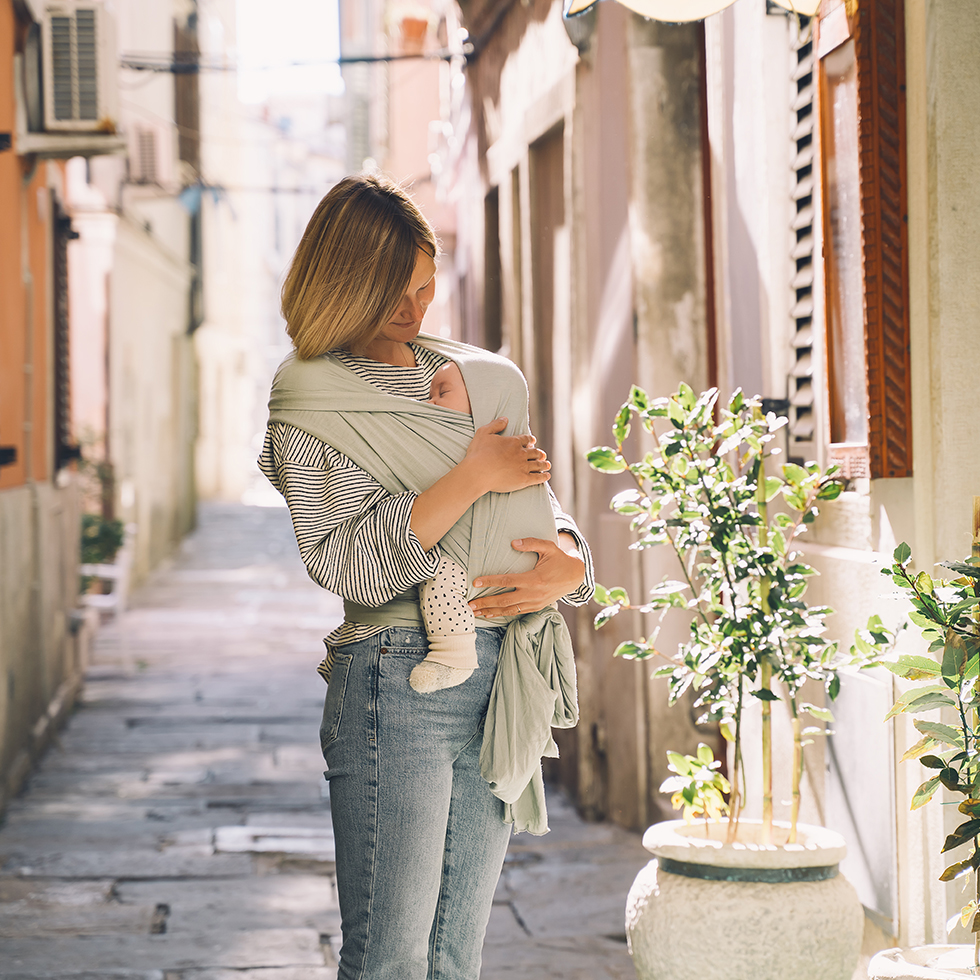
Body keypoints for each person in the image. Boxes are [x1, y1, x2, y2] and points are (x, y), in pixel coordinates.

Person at [258, 173, 593, 980]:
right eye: (393, 294)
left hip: (500, 674)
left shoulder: (468, 372)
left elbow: (532, 492)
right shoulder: (311, 395)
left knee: (454, 958)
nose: (414, 314)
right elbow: (346, 563)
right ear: (342, 283)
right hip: (395, 681)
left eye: (423, 290)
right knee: (391, 959)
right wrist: (469, 477)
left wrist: (570, 568)